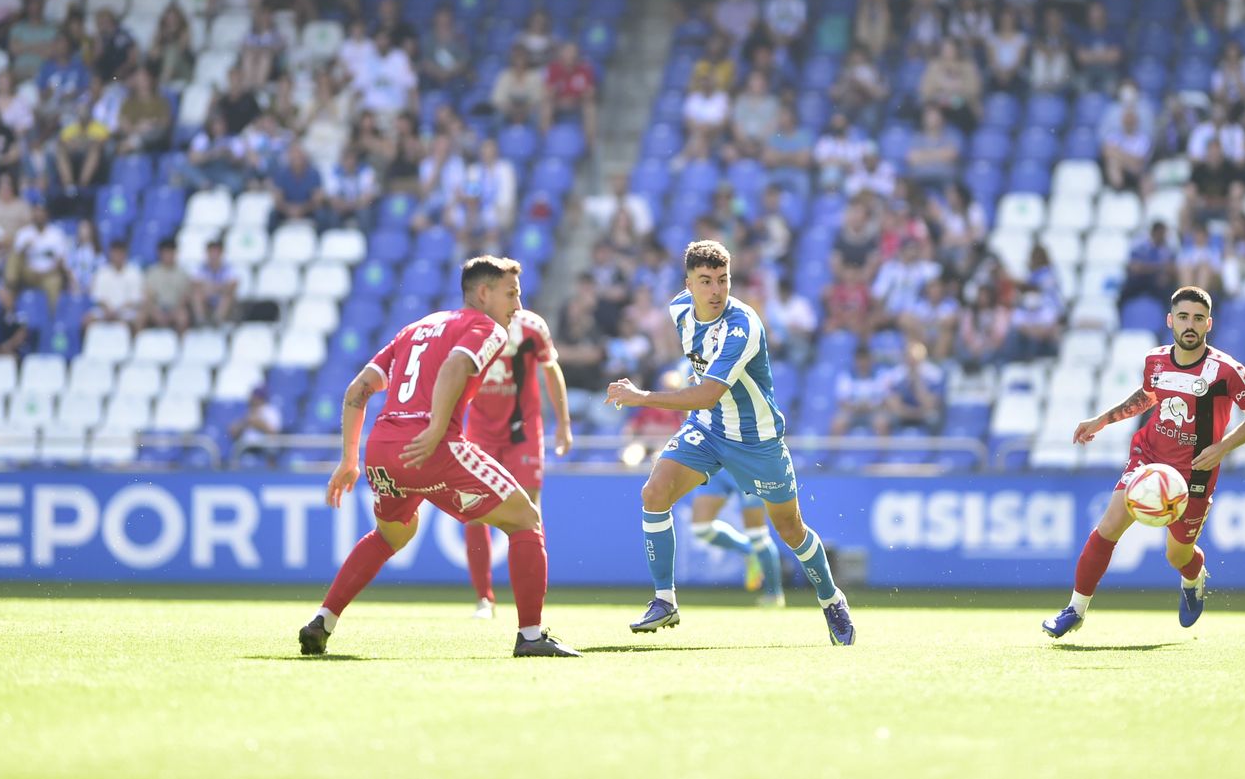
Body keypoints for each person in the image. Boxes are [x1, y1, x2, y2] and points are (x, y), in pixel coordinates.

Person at [300, 255, 579, 659]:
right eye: (511, 294)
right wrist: (434, 430)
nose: (517, 305)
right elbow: (454, 366)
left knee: (391, 535)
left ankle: (322, 621)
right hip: (431, 446)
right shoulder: (486, 327)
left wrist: (348, 459)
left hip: (383, 450)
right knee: (526, 520)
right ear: (483, 294)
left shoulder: (416, 328)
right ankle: (531, 636)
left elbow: (359, 389)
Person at [605, 239, 855, 645]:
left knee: (789, 529)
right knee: (654, 492)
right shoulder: (677, 310)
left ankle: (831, 600)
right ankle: (664, 600)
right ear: (687, 284)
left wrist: (643, 396)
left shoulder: (742, 325)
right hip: (707, 429)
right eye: (705, 281)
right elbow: (701, 386)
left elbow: (707, 393)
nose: (716, 291)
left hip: (757, 439)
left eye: (723, 280)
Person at [1044, 287, 1245, 639]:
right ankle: (1075, 609)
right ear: (1170, 320)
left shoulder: (1227, 371)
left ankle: (1194, 577)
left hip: (1195, 472)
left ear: (1209, 323)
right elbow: (1148, 396)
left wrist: (1222, 448)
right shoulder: (1155, 360)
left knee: (1177, 555)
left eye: (1197, 318)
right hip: (1148, 458)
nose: (1189, 325)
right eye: (1183, 317)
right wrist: (1101, 420)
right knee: (1108, 527)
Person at [460, 307, 576, 620]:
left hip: (523, 432)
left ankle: (532, 597)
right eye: (511, 291)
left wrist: (563, 423)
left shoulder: (532, 326)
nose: (517, 299)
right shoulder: (467, 329)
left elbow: (551, 371)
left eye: (519, 290)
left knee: (530, 511)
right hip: (479, 433)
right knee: (474, 512)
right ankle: (484, 599)